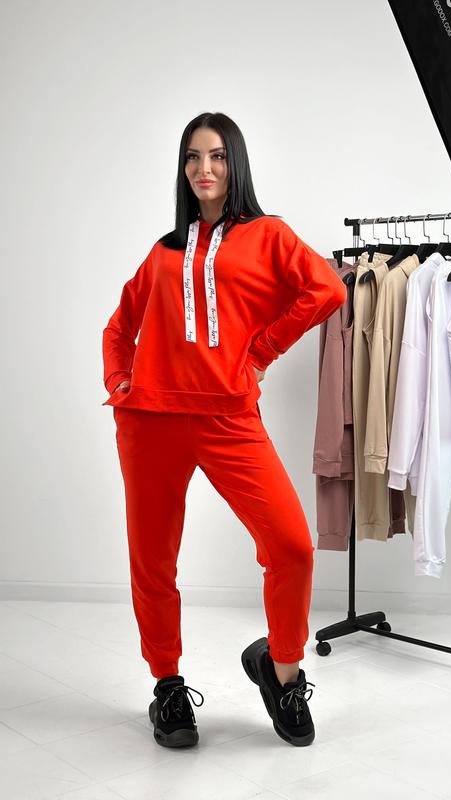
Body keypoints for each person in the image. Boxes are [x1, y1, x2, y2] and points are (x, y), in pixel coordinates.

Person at [101, 111, 346, 748]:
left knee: (290, 545)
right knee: (153, 560)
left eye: (215, 155)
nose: (203, 168)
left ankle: (282, 673)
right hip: (151, 420)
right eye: (192, 157)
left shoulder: (268, 235)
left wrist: (262, 349)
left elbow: (326, 290)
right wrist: (121, 383)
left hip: (227, 416)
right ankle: (167, 687)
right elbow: (120, 325)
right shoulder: (166, 250)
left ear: (235, 162)